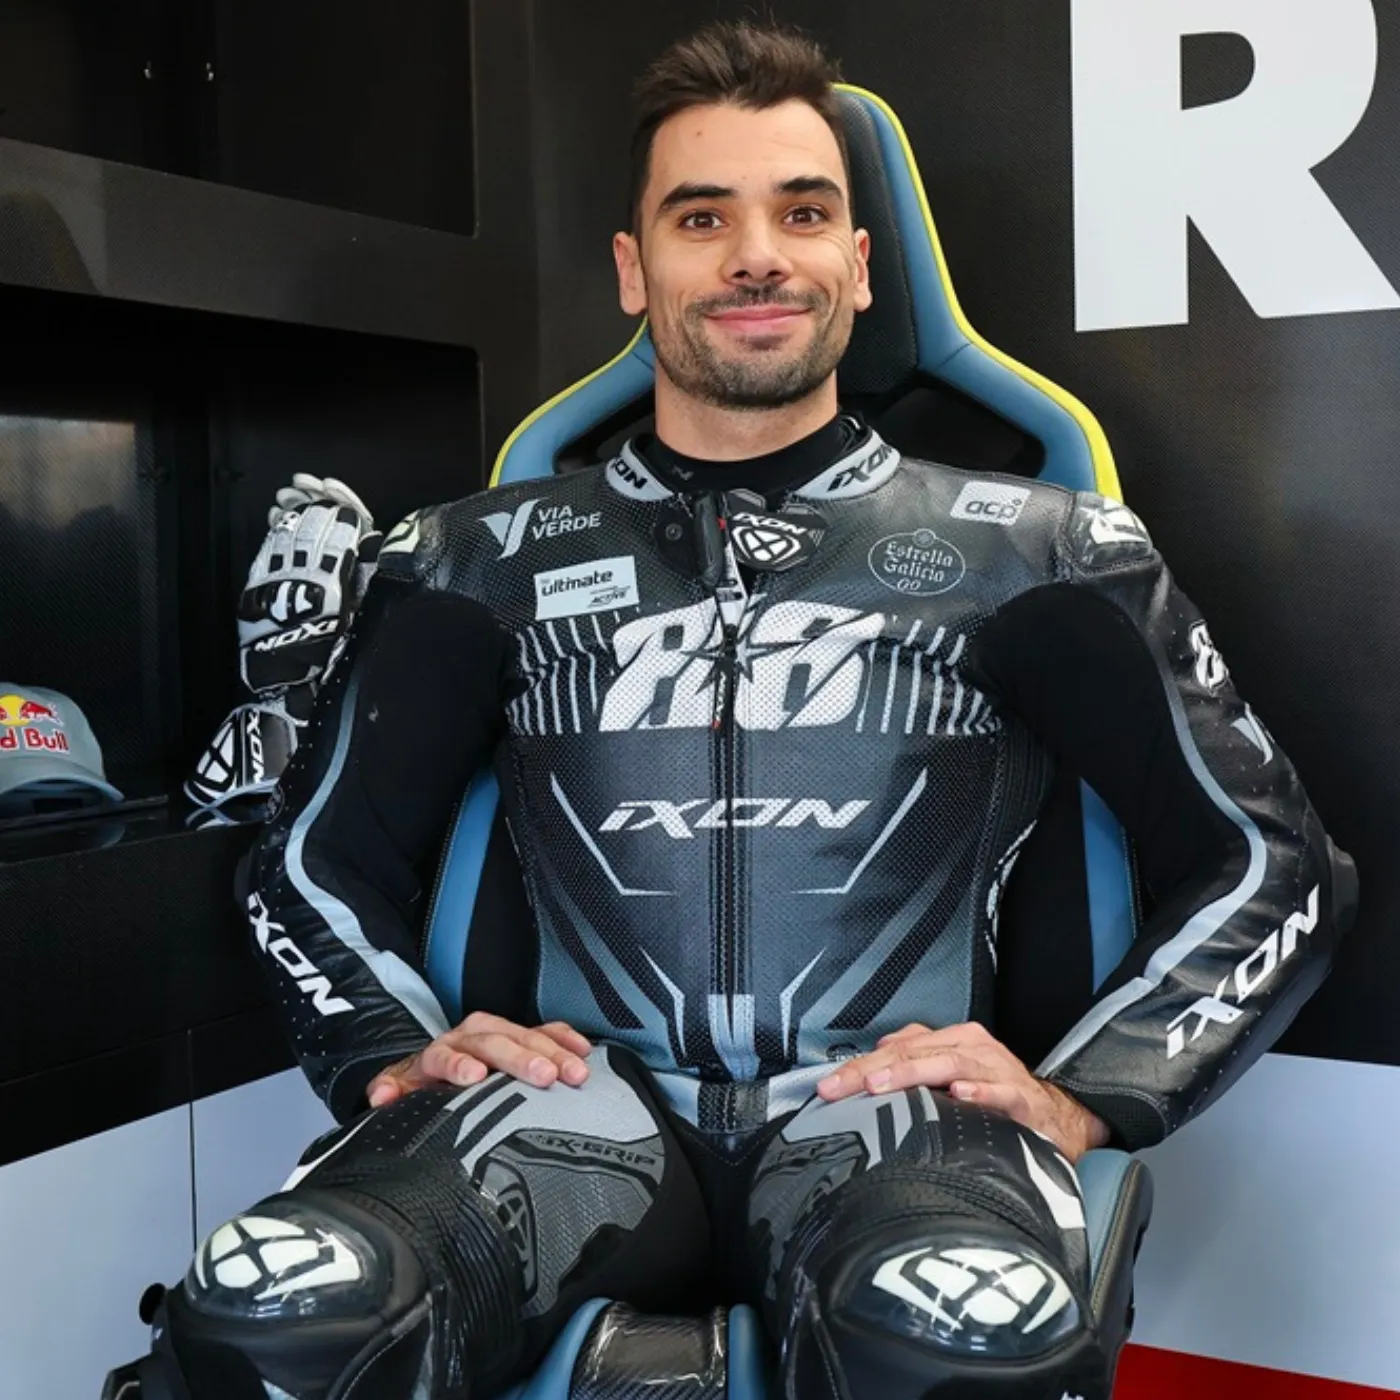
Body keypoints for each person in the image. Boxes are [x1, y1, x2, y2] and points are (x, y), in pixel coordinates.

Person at [142, 20, 1354, 1400]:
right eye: (702, 216)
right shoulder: (470, 561)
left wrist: (1091, 1090)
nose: (757, 256)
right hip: (564, 1118)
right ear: (633, 268)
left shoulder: (1040, 549)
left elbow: (1277, 866)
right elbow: (306, 863)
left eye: (804, 212)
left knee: (963, 1344)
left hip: (888, 1119)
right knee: (279, 1316)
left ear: (860, 265)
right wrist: (391, 1051)